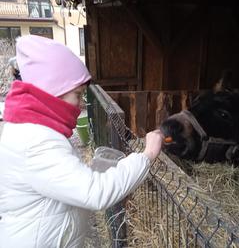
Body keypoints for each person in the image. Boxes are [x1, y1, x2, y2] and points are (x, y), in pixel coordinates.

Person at [0, 35, 163, 247]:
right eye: (77, 94)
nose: (80, 105)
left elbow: (56, 178)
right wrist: (147, 155)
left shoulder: (34, 126)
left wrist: (84, 171)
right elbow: (96, 193)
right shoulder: (36, 141)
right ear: (52, 90)